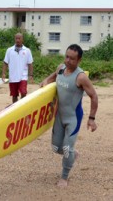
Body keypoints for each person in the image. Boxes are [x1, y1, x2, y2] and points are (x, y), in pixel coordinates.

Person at [40, 44, 98, 187]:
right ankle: (73, 154)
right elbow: (52, 78)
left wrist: (92, 119)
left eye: (72, 59)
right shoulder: (61, 69)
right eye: (66, 57)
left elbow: (94, 96)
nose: (67, 61)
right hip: (59, 116)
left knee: (66, 149)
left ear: (79, 60)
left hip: (73, 118)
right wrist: (46, 81)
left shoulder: (81, 77)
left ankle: (64, 177)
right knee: (55, 148)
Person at [2, 33, 34, 103]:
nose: (17, 40)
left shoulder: (27, 50)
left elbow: (30, 63)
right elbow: (5, 62)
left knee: (23, 92)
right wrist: (4, 73)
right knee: (14, 95)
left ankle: (22, 106)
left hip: (23, 76)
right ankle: (15, 108)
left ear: (22, 39)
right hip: (13, 77)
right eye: (16, 38)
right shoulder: (9, 50)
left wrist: (31, 75)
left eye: (19, 38)